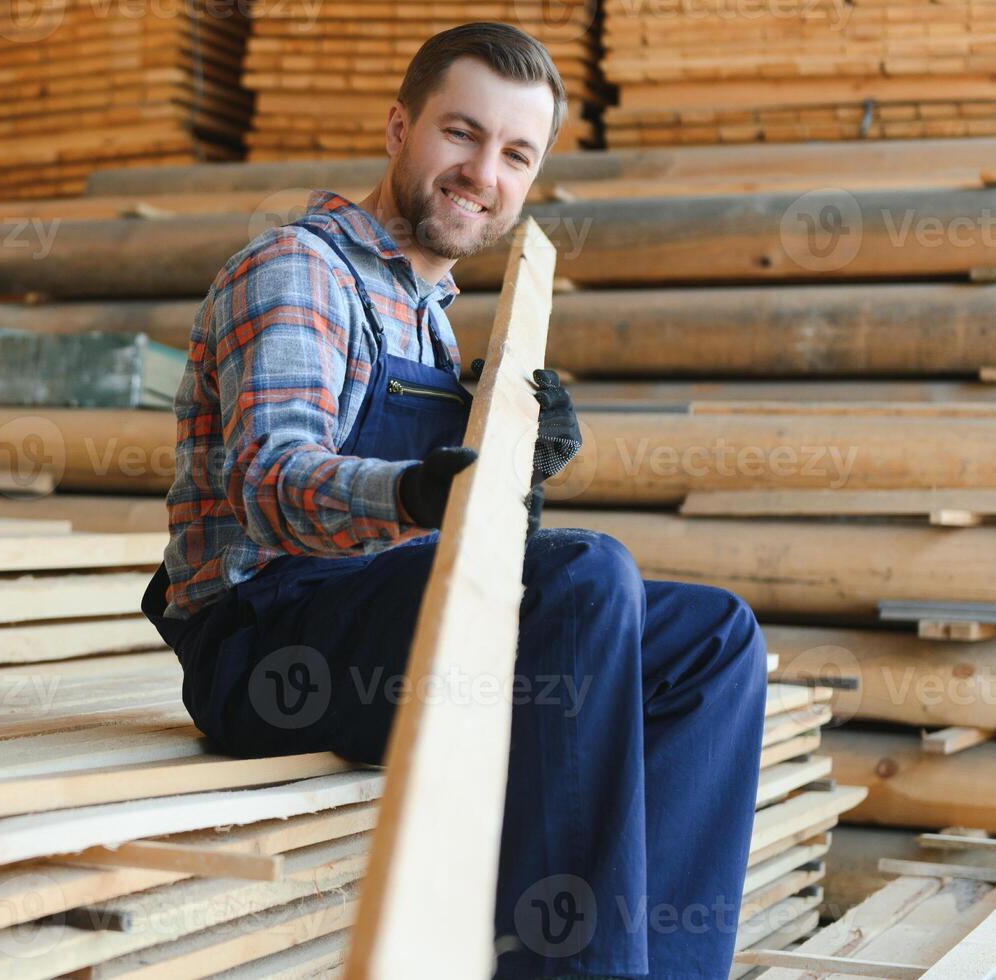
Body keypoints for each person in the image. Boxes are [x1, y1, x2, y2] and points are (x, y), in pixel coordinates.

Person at [141, 21, 767, 980]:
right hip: (267, 642)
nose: (483, 171)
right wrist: (426, 489)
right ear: (399, 129)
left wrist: (516, 472)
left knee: (711, 639)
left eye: (516, 153)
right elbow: (272, 483)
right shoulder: (299, 271)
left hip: (376, 618)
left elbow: (454, 551)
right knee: (590, 576)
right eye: (460, 134)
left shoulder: (427, 317)